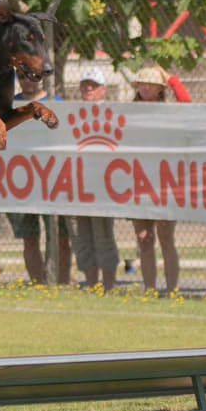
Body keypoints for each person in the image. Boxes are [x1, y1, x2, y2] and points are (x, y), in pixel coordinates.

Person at [130, 65, 191, 295]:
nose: (145, 87)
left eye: (151, 83)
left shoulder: (169, 112)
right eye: (142, 83)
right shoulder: (129, 112)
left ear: (159, 89)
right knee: (144, 238)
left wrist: (172, 79)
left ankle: (172, 289)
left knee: (166, 238)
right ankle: (149, 289)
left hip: (164, 182)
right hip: (138, 182)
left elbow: (187, 105)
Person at [7, 72, 71, 284]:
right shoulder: (10, 104)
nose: (28, 80)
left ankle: (61, 282)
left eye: (33, 76)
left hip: (54, 181)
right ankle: (39, 284)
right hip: (21, 181)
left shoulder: (56, 103)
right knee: (29, 239)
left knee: (61, 238)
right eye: (23, 76)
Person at [73, 68, 120, 290]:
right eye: (85, 84)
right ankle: (91, 284)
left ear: (103, 90)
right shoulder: (70, 113)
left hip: (103, 186)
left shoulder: (111, 114)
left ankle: (109, 286)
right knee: (81, 238)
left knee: (103, 236)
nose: (88, 88)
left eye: (93, 85)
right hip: (75, 185)